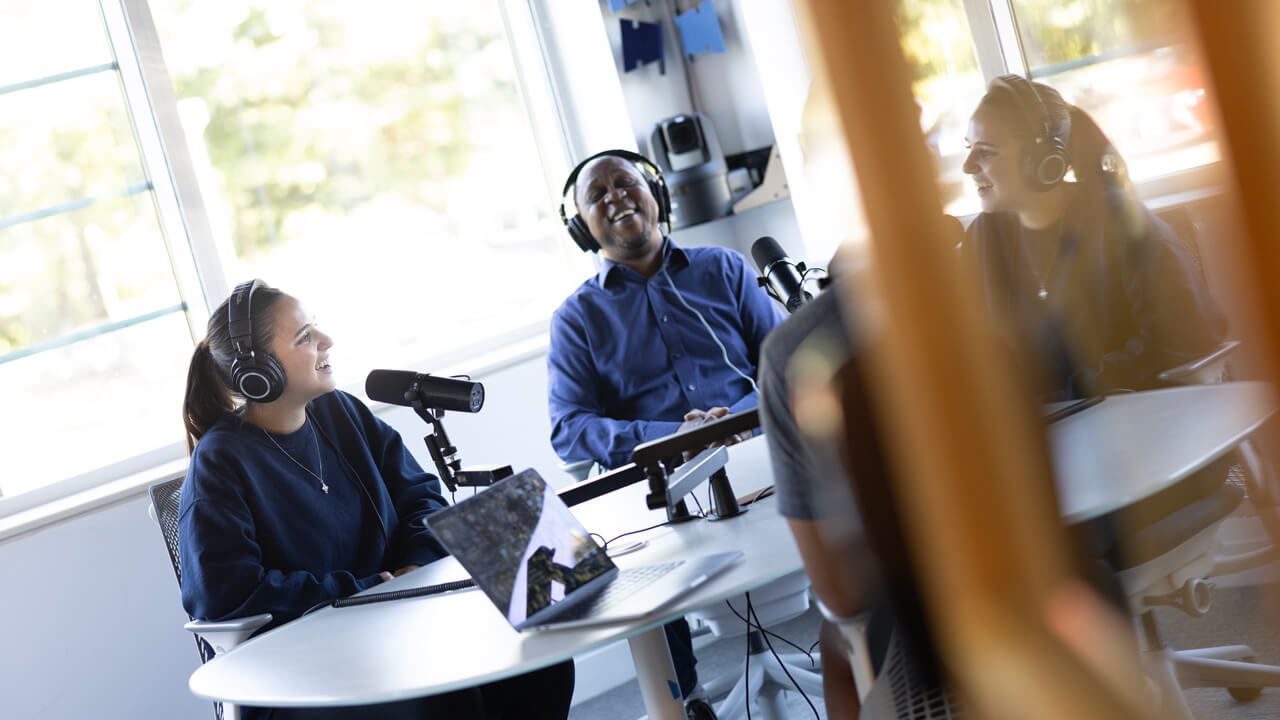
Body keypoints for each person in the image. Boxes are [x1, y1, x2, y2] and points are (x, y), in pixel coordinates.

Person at [179, 279, 574, 720]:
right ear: (258, 373)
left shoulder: (341, 414)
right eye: (305, 337)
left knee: (539, 663)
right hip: (298, 672)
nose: (327, 341)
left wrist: (415, 567)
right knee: (431, 701)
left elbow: (421, 495)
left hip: (400, 630)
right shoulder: (220, 462)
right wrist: (368, 589)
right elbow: (224, 596)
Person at [547, 149, 786, 715]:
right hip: (662, 485)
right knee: (618, 549)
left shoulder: (723, 269)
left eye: (626, 183)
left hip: (759, 455)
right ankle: (687, 698)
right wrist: (672, 434)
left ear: (656, 193)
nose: (616, 197)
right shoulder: (576, 318)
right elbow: (569, 431)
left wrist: (736, 418)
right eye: (597, 195)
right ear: (583, 226)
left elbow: (786, 363)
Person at [961, 75, 1227, 400]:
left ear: (1041, 159)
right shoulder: (983, 239)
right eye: (968, 149)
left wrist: (1078, 395)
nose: (967, 166)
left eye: (985, 153)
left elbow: (1186, 336)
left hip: (1142, 423)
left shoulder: (1119, 223)